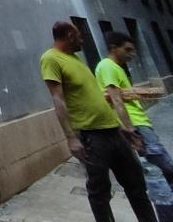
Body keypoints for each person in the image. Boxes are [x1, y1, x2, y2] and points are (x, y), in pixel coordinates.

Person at [41, 21, 157, 222]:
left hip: (114, 133)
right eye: (79, 36)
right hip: (91, 135)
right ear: (69, 35)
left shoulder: (76, 60)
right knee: (100, 192)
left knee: (136, 185)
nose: (82, 40)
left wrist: (122, 128)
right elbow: (57, 99)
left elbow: (95, 97)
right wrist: (70, 138)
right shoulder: (50, 59)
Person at [97, 31, 173, 188]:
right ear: (113, 48)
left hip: (138, 122)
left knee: (158, 168)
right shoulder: (107, 66)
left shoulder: (116, 68)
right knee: (162, 166)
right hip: (136, 124)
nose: (132, 54)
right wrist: (130, 129)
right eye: (127, 49)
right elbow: (116, 99)